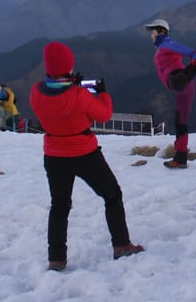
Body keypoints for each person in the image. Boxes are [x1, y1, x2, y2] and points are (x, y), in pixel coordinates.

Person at [29, 41, 143, 269]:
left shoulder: (36, 92)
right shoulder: (79, 94)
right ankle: (121, 245)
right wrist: (102, 94)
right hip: (84, 153)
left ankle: (56, 260)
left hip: (53, 154)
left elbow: (55, 100)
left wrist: (68, 83)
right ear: (69, 65)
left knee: (59, 206)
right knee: (112, 195)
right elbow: (104, 114)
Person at [144, 18, 196, 169]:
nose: (151, 35)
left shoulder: (166, 44)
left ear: (161, 31)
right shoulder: (162, 47)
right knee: (180, 123)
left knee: (178, 82)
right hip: (182, 86)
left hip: (179, 80)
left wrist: (195, 55)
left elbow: (181, 48)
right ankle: (180, 159)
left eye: (153, 32)